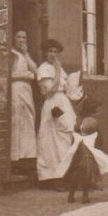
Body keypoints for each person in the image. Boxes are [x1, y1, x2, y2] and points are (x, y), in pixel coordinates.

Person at [36, 39, 77, 183]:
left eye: (55, 52)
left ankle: (65, 175)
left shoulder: (59, 68)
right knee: (52, 141)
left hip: (63, 102)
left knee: (66, 137)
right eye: (50, 51)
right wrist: (58, 70)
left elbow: (65, 86)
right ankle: (53, 177)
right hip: (53, 103)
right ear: (45, 53)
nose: (53, 55)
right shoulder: (44, 69)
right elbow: (50, 90)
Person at [65, 116, 108, 204]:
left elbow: (72, 148)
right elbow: (97, 147)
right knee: (86, 180)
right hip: (88, 162)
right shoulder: (93, 137)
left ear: (81, 127)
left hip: (77, 161)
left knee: (73, 179)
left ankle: (70, 196)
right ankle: (85, 197)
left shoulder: (77, 137)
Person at [10, 30, 37, 176]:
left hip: (26, 90)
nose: (21, 40)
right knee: (17, 122)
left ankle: (26, 159)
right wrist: (26, 75)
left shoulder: (25, 55)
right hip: (16, 90)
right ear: (14, 38)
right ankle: (15, 160)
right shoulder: (11, 53)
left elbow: (35, 70)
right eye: (19, 37)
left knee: (28, 122)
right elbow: (8, 74)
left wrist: (26, 54)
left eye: (24, 37)